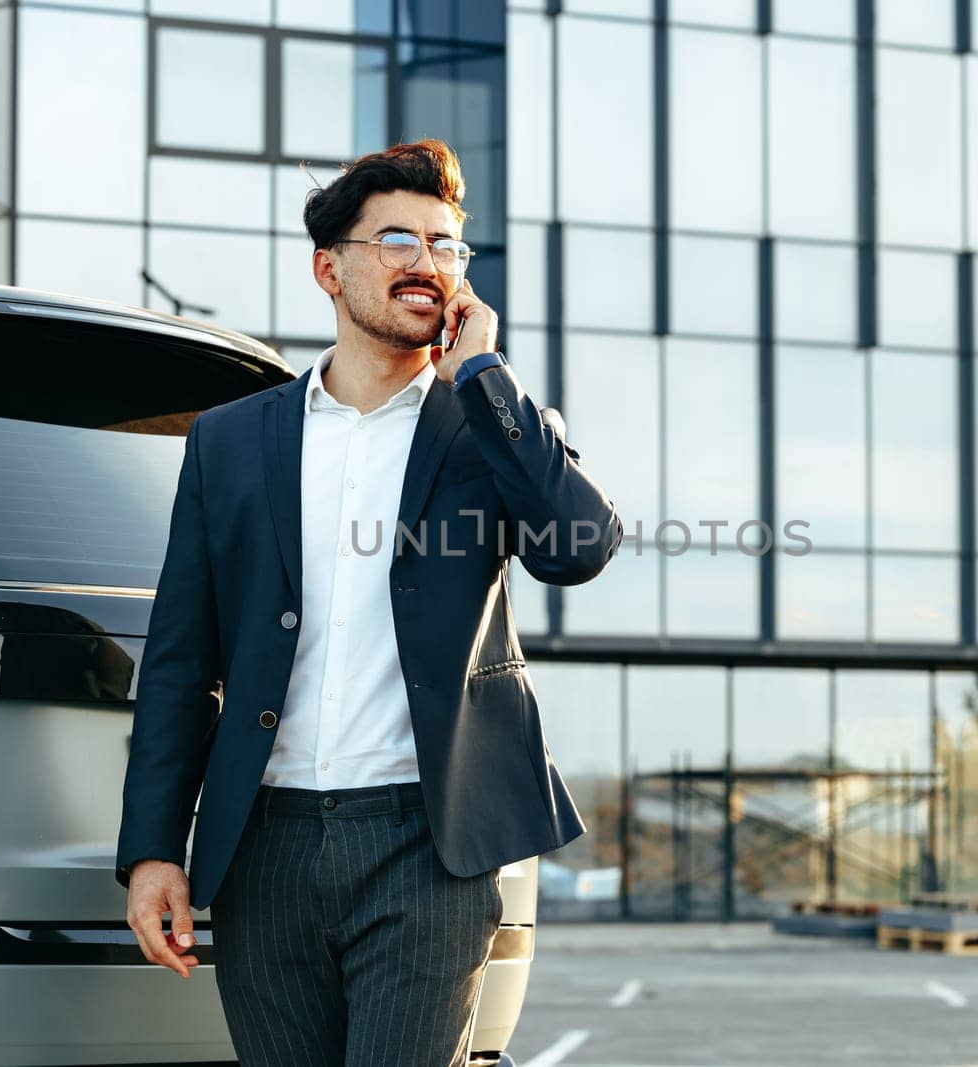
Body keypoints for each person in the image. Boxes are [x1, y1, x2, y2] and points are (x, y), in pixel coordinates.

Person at [114, 139, 622, 1066]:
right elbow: (182, 658)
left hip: (424, 847)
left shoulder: (489, 427)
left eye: (447, 245)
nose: (427, 262)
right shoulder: (231, 441)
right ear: (329, 266)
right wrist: (154, 848)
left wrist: (487, 376)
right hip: (261, 847)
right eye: (397, 238)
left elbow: (581, 549)